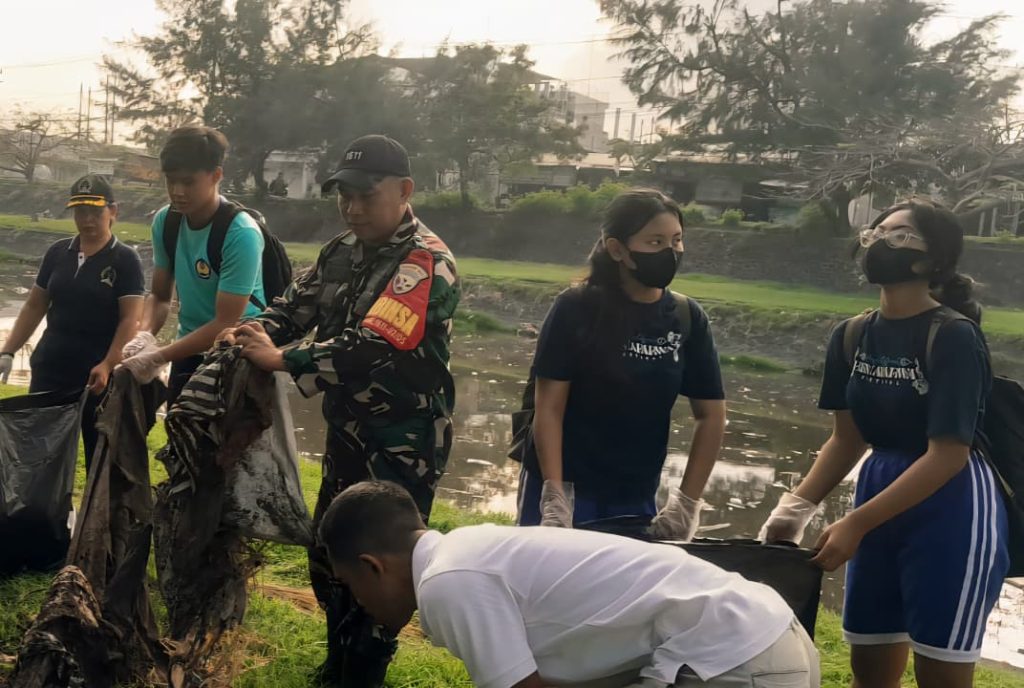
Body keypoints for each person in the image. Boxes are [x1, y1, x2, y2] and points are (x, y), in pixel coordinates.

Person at [219, 134, 460, 688]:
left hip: (405, 440)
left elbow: (372, 344)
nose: (351, 208)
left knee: (386, 561)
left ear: (403, 191)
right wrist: (255, 330)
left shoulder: (424, 262)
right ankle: (337, 662)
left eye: (364, 195)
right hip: (349, 430)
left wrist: (281, 358)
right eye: (342, 196)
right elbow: (294, 305)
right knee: (332, 548)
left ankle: (363, 672)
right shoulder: (341, 251)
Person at [759, 199, 1008, 688]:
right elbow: (846, 439)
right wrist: (794, 508)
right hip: (878, 485)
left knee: (940, 672)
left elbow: (949, 455)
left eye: (899, 235)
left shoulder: (954, 336)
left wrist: (855, 522)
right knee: (869, 669)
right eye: (877, 231)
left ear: (931, 261)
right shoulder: (851, 335)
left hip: (952, 505)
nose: (878, 240)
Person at [319, 480, 819, 688]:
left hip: (730, 659)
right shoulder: (470, 549)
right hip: (765, 642)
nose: (358, 603)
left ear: (373, 565)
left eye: (351, 585)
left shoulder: (448, 582)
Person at [519, 189, 726, 539]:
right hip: (566, 487)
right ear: (617, 249)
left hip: (634, 495)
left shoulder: (686, 318)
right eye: (655, 241)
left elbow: (712, 415)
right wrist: (555, 498)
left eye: (676, 241)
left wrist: (687, 502)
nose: (670, 252)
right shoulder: (576, 308)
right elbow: (549, 408)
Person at [0, 174, 144, 470]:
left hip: (96, 375)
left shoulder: (125, 259)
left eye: (96, 212)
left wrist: (108, 363)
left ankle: (91, 515)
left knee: (97, 453)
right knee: (38, 452)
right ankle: (43, 515)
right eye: (80, 212)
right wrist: (8, 350)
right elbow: (34, 305)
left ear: (113, 211)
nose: (87, 220)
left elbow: (131, 319)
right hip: (50, 366)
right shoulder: (57, 252)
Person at [119, 126, 266, 405]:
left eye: (188, 182)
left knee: (228, 446)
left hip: (237, 355)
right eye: (171, 181)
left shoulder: (241, 233)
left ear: (216, 176)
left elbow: (225, 322)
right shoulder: (167, 221)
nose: (177, 192)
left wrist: (159, 356)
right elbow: (161, 296)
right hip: (187, 348)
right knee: (178, 441)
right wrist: (145, 333)